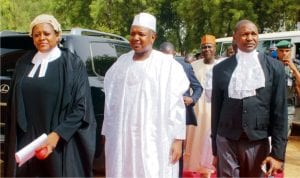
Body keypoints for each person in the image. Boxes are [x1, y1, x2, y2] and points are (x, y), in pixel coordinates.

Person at [4, 14, 96, 177]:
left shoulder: (72, 64)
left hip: (59, 141)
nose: (42, 38)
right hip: (28, 141)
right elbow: (14, 104)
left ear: (57, 35)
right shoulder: (23, 63)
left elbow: (82, 107)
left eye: (46, 34)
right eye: (37, 35)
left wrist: (57, 135)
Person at [102, 12, 189, 178]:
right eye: (133, 33)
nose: (135, 38)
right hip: (123, 137)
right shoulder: (120, 64)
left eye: (141, 34)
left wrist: (178, 140)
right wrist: (107, 133)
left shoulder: (167, 65)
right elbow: (110, 103)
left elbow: (177, 106)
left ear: (153, 37)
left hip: (155, 137)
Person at [211, 20, 287, 177]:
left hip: (258, 142)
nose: (250, 38)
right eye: (245, 34)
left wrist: (278, 154)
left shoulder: (274, 67)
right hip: (226, 140)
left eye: (254, 34)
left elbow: (280, 112)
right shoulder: (220, 69)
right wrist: (215, 150)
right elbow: (216, 110)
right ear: (235, 37)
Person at [159, 41, 203, 177]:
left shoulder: (185, 67)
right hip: (159, 116)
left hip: (179, 115)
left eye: (169, 57)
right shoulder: (154, 67)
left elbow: (198, 87)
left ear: (174, 54)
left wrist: (192, 99)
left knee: (177, 149)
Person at [184, 35, 218, 178]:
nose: (206, 49)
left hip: (213, 113)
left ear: (215, 48)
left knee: (210, 145)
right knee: (192, 143)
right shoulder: (194, 66)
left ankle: (209, 173)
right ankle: (191, 172)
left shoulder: (221, 66)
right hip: (196, 112)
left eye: (209, 46)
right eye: (204, 47)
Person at [276, 40, 300, 136]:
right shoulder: (271, 64)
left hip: (288, 105)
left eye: (287, 50)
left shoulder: (297, 65)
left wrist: (293, 68)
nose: (284, 53)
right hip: (273, 103)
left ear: (291, 51)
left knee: (284, 133)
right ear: (277, 52)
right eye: (281, 51)